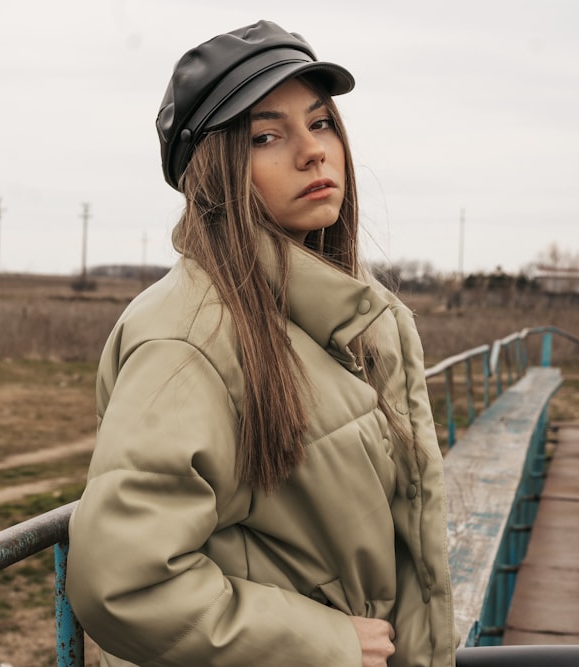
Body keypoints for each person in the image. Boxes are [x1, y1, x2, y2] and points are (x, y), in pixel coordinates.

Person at [66, 19, 458, 667]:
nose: (313, 151)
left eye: (322, 122)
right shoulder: (189, 338)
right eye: (267, 136)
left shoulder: (356, 313)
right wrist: (324, 643)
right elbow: (124, 580)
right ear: (215, 171)